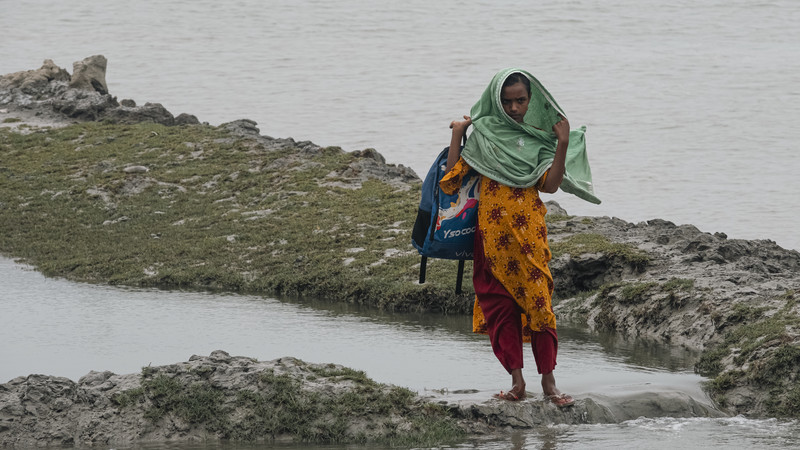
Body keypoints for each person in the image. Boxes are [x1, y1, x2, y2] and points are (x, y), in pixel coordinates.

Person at [440, 68, 599, 405]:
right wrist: (459, 133)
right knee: (500, 308)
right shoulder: (484, 136)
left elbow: (551, 184)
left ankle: (550, 383)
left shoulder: (538, 137)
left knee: (540, 306)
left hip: (529, 238)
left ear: (532, 100)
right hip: (491, 240)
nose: (513, 108)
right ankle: (517, 382)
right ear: (496, 101)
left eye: (521, 101)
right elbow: (453, 178)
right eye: (507, 101)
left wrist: (563, 143)